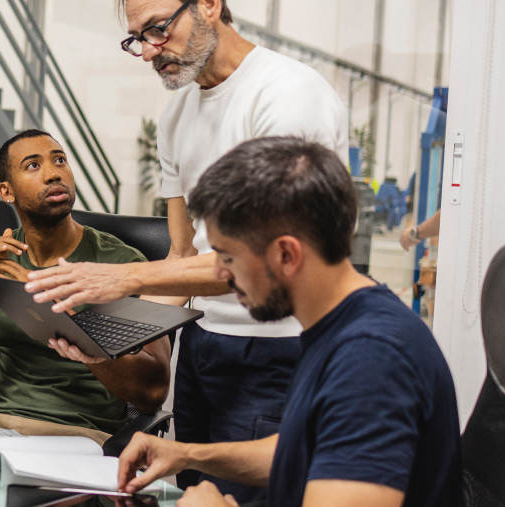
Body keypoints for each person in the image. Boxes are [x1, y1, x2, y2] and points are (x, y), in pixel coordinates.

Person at [25, 0, 349, 500]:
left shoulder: (287, 95)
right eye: (136, 38)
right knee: (194, 495)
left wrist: (120, 278)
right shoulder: (177, 114)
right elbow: (182, 255)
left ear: (210, 6)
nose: (148, 51)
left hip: (277, 347)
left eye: (157, 29)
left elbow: (267, 262)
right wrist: (104, 339)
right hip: (203, 345)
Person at [115, 137, 462, 507]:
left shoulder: (372, 360)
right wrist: (188, 455)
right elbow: (305, 447)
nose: (218, 274)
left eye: (227, 257)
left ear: (286, 254)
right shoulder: (341, 319)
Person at [0, 129, 171, 435]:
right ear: (7, 192)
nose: (53, 174)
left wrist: (61, 318)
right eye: (33, 165)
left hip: (79, 434)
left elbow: (153, 394)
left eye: (60, 160)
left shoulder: (121, 264)